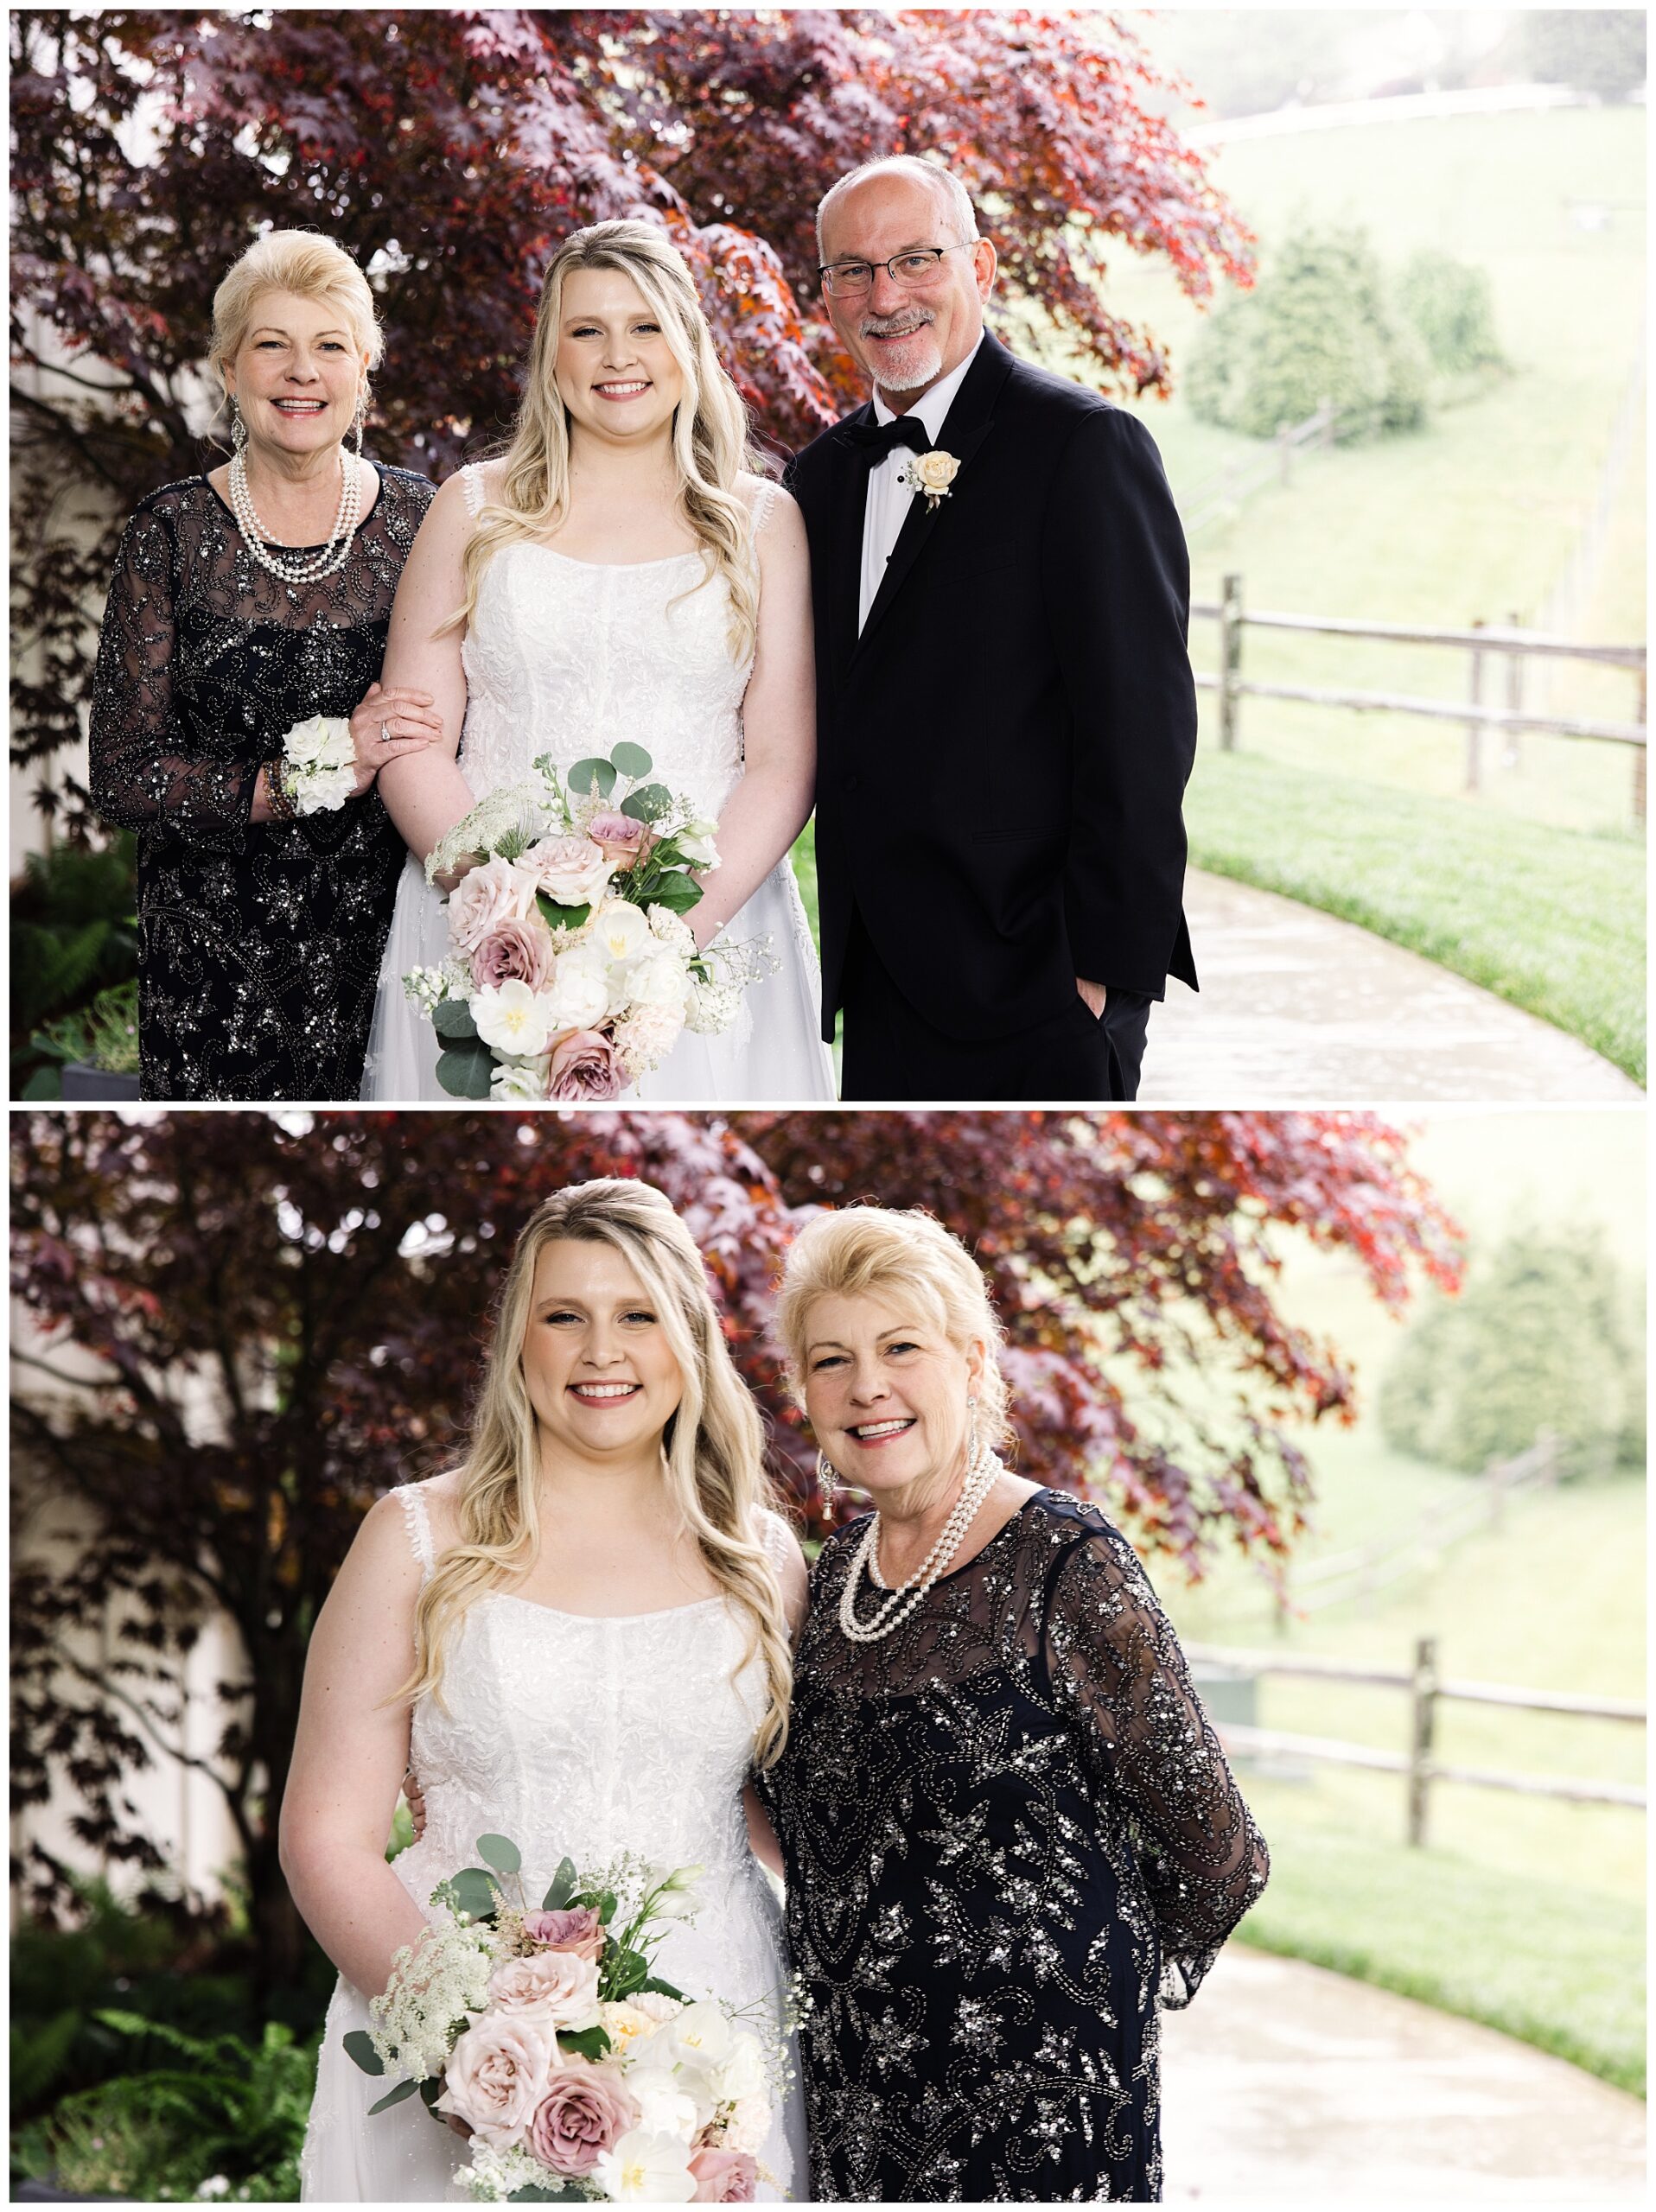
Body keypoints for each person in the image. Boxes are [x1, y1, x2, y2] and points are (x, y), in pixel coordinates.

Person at [285, 1179, 810, 2201]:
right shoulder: (416, 1541)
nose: (600, 1351)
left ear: (689, 1339)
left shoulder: (762, 1557)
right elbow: (326, 1838)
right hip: (449, 2029)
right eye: (563, 1315)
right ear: (517, 1343)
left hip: (720, 2040)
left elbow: (789, 1809)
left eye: (637, 1315)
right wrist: (471, 2056)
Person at [758, 1205, 1267, 2202]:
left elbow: (1218, 1853)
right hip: (858, 2089)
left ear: (972, 1361)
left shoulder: (1065, 1564)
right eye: (830, 1360)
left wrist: (1067, 1977)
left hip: (1041, 2107)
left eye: (900, 1346)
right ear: (802, 1394)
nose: (866, 1386)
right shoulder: (825, 1585)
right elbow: (811, 1826)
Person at [361, 219, 836, 1101]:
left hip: (707, 928)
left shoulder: (762, 523)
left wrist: (663, 942)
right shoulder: (472, 507)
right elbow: (413, 734)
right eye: (586, 330)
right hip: (480, 936)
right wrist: (508, 916)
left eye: (645, 326)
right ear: (551, 355)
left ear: (687, 345)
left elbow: (780, 759)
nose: (617, 355)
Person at [787, 156, 1199, 1103]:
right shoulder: (818, 478)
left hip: (1040, 983)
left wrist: (1102, 979)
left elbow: (1140, 735)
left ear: (983, 266)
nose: (884, 294)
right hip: (878, 981)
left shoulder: (1084, 448)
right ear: (826, 295)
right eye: (852, 269)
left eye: (916, 259)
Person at [87, 230, 443, 1101]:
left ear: (365, 368)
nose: (301, 371)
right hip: (213, 968)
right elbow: (122, 776)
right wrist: (308, 775)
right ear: (229, 368)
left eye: (328, 346)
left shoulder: (425, 521)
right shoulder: (169, 533)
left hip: (396, 945)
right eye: (271, 344)